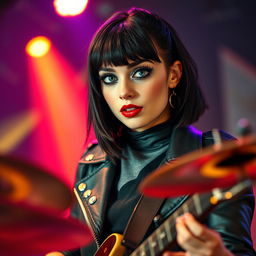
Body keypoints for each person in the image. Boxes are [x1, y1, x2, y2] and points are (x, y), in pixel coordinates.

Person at [48, 7, 255, 256]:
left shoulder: (213, 154)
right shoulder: (92, 161)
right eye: (110, 78)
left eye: (140, 72)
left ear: (174, 75)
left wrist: (219, 254)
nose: (124, 91)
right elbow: (69, 248)